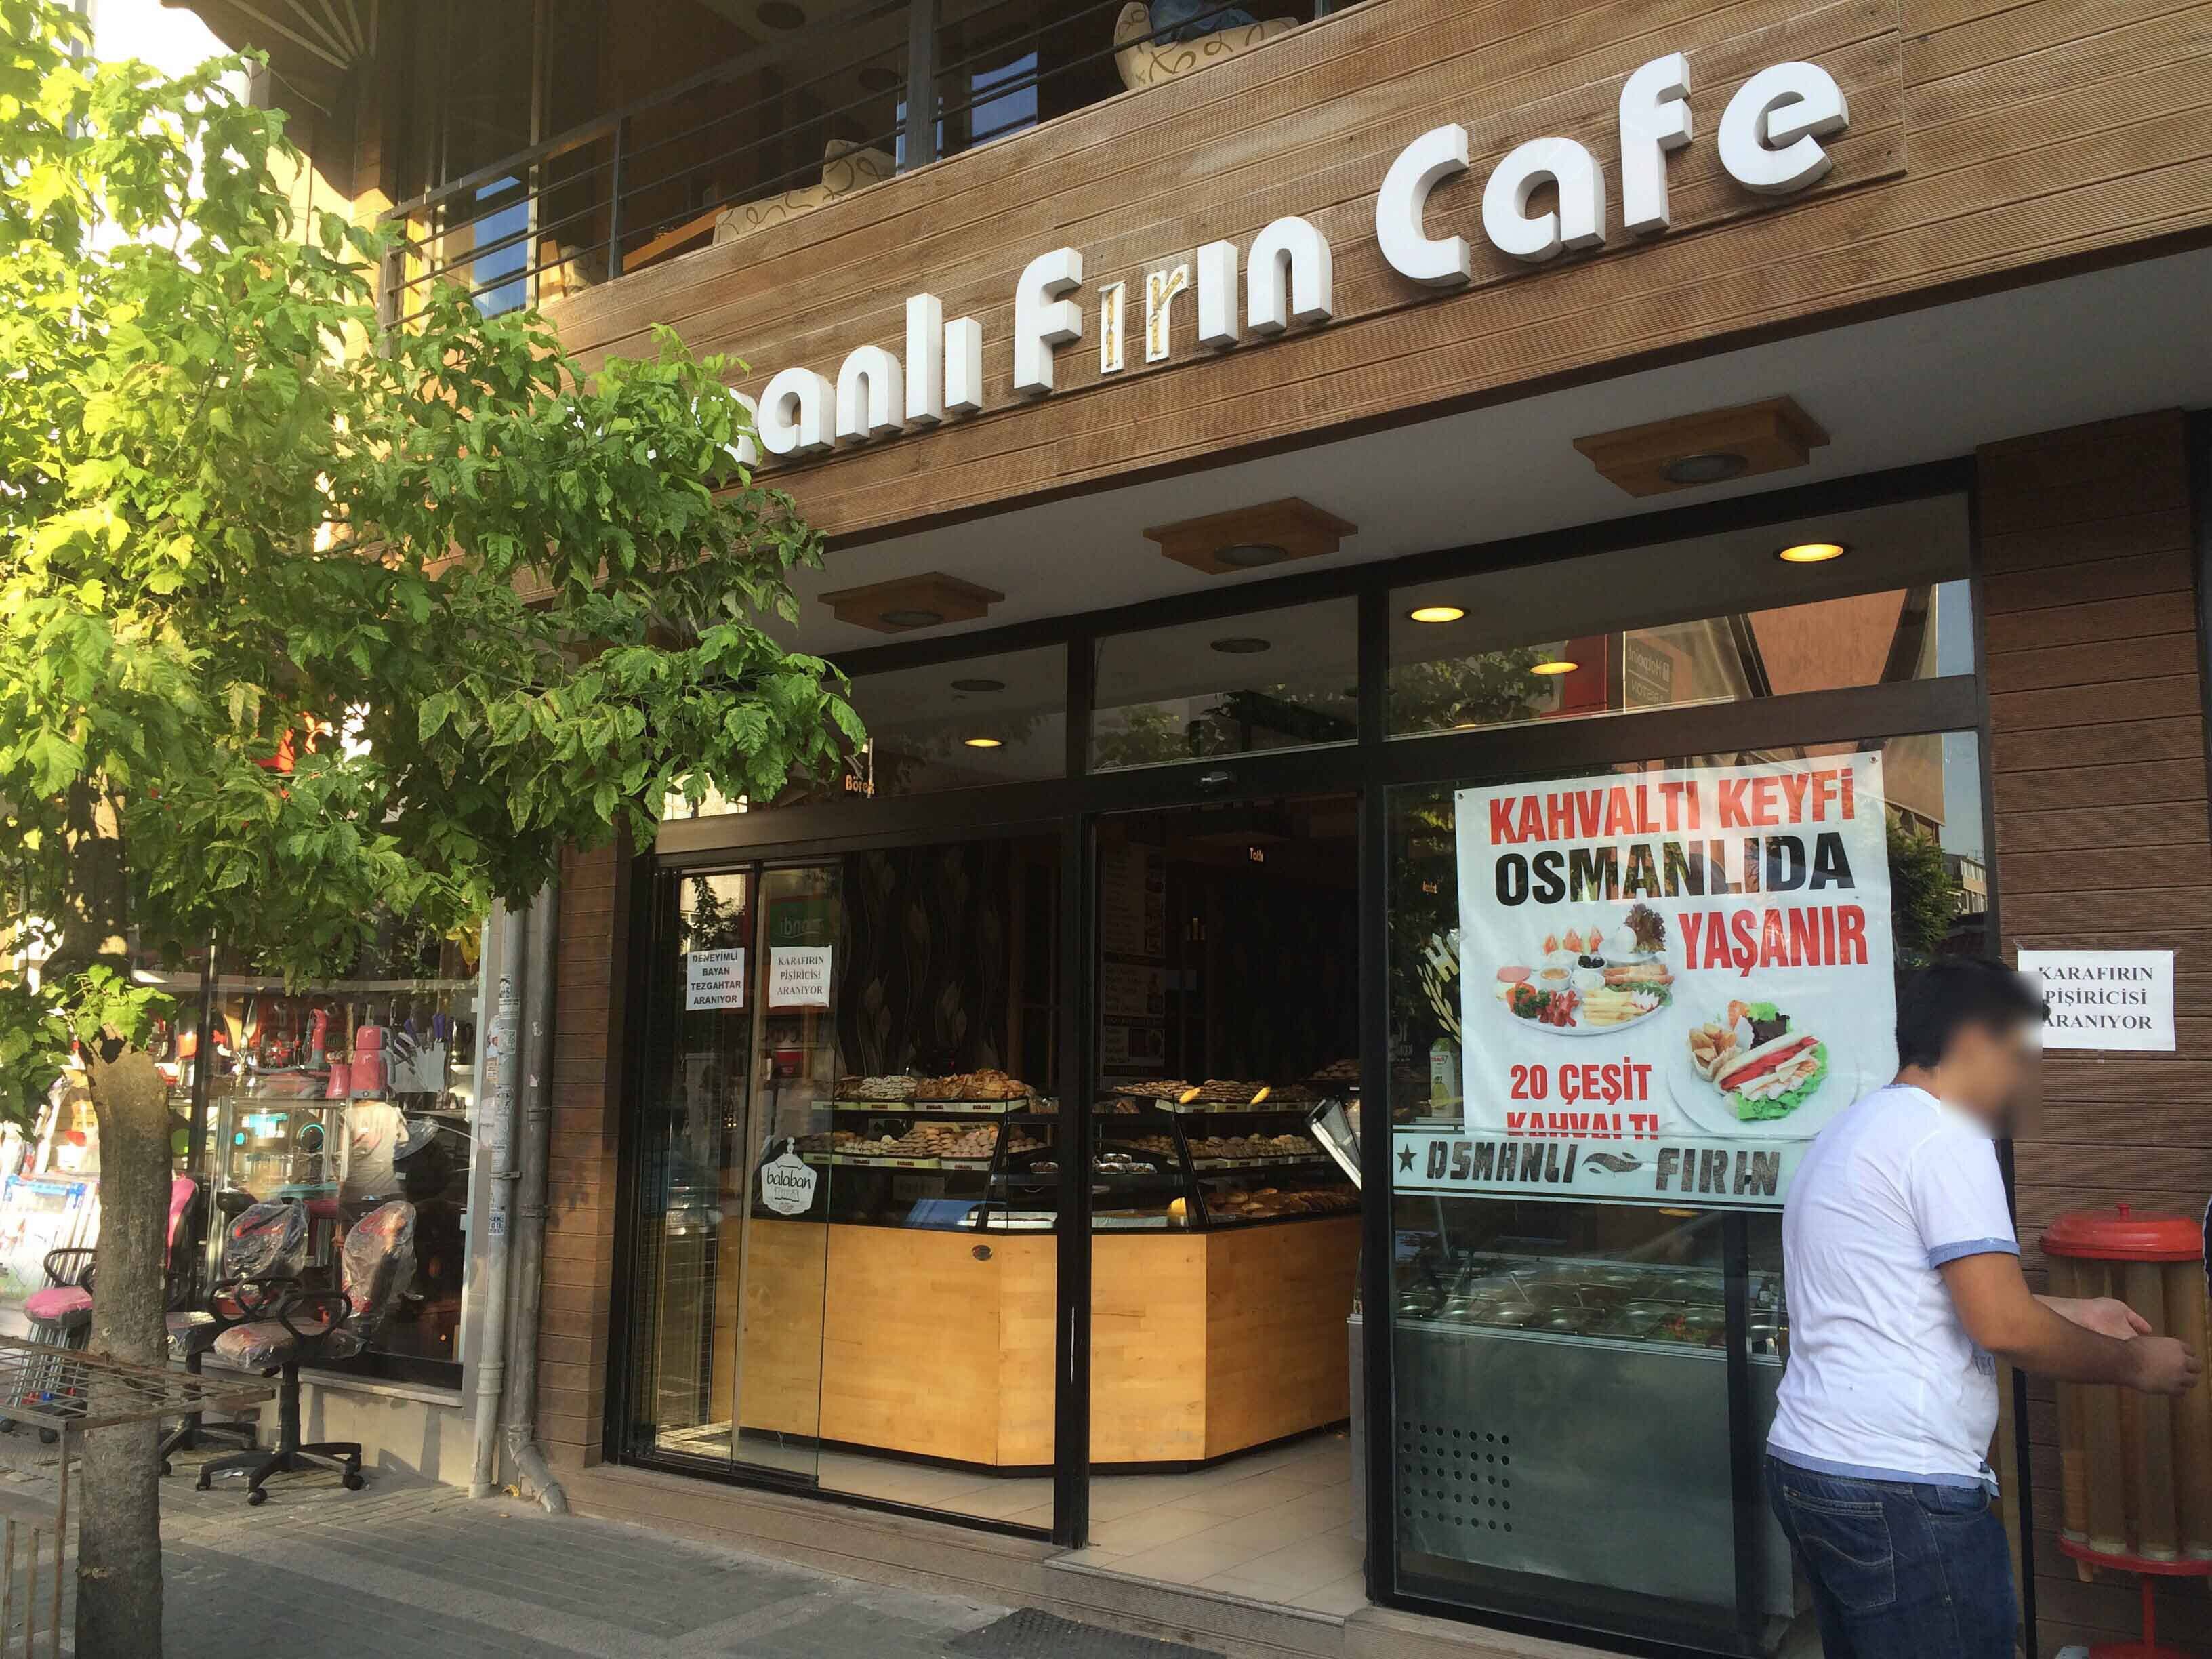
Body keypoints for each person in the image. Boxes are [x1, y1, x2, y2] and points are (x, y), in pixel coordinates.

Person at [1766, 957, 2200, 1659]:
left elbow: (1899, 1290)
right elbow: (2002, 1325)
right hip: (1901, 1487)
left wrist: (2075, 1310)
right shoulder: (1947, 1137)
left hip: (1812, 1467)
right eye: (2018, 1056)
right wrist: (2135, 1364)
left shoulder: (1849, 1131)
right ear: (1972, 1041)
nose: (2020, 1081)